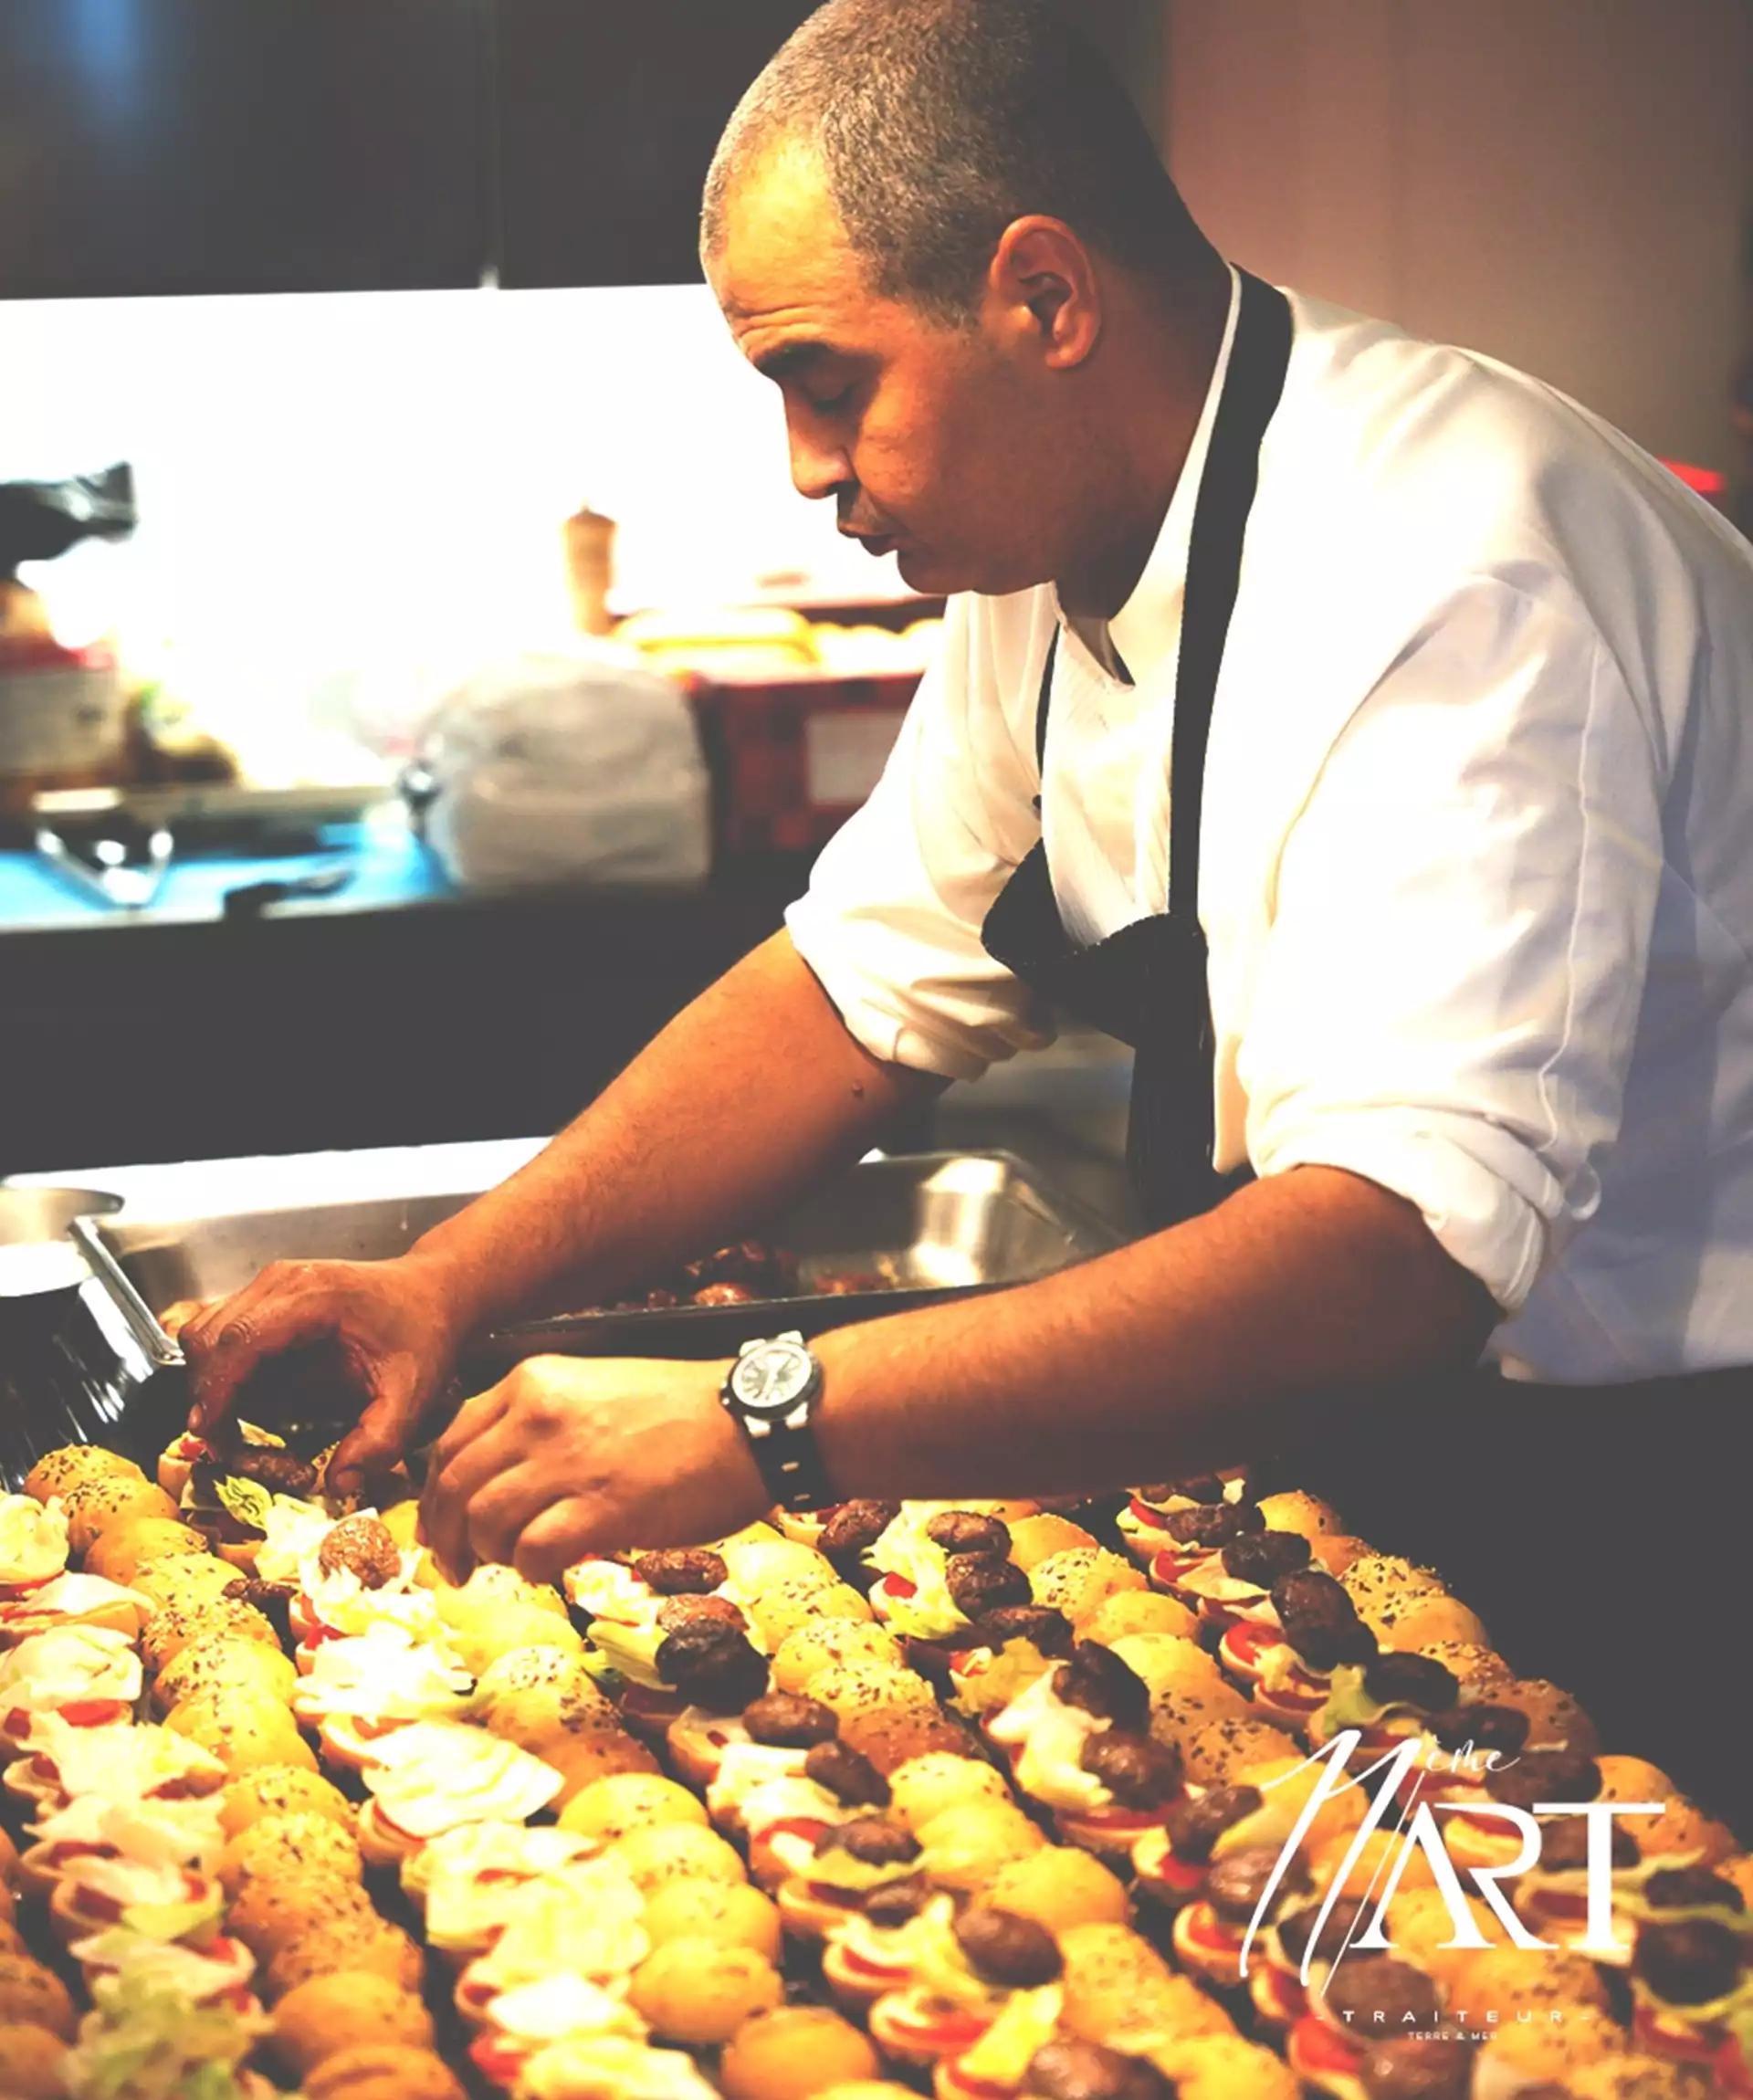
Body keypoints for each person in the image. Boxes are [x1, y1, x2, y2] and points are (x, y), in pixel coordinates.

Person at [184, 0, 1753, 1832]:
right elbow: (855, 990)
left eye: (827, 381)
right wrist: (450, 1278)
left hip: (1662, 1474)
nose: (800, 463)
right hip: (1384, 1419)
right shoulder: (1062, 523)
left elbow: (1393, 1251)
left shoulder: (1456, 578)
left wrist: (768, 1416)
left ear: (1045, 299)